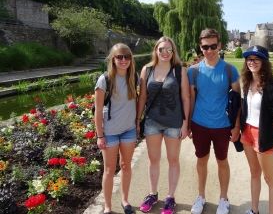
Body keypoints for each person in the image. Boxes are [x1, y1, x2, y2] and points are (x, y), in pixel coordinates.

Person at [187, 28, 241, 214]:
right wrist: (188, 125)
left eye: (212, 46)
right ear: (200, 47)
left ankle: (223, 199)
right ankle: (200, 196)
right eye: (205, 47)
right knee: (201, 161)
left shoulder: (229, 70)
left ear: (219, 45)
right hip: (199, 123)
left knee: (222, 161)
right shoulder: (193, 71)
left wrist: (236, 126)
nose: (209, 50)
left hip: (222, 124)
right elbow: (191, 99)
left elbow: (237, 101)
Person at [137, 36, 190, 214]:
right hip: (152, 121)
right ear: (156, 51)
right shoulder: (147, 70)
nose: (165, 53)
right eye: (162, 49)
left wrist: (185, 124)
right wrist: (138, 119)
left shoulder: (179, 71)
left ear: (173, 51)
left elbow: (185, 98)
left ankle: (170, 197)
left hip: (174, 123)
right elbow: (143, 97)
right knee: (153, 160)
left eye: (169, 49)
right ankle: (152, 194)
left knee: (173, 160)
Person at [240, 45, 273, 214]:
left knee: (270, 178)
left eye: (257, 58)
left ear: (264, 61)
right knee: (254, 173)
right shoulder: (246, 81)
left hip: (263, 134)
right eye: (249, 59)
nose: (252, 62)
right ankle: (254, 210)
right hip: (247, 133)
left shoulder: (272, 85)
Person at [94, 43, 137, 214]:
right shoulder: (104, 80)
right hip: (110, 131)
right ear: (113, 59)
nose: (124, 60)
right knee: (110, 170)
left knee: (126, 166)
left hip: (128, 130)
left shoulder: (132, 77)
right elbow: (97, 110)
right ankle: (108, 207)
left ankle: (125, 200)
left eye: (127, 56)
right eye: (120, 57)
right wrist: (99, 135)